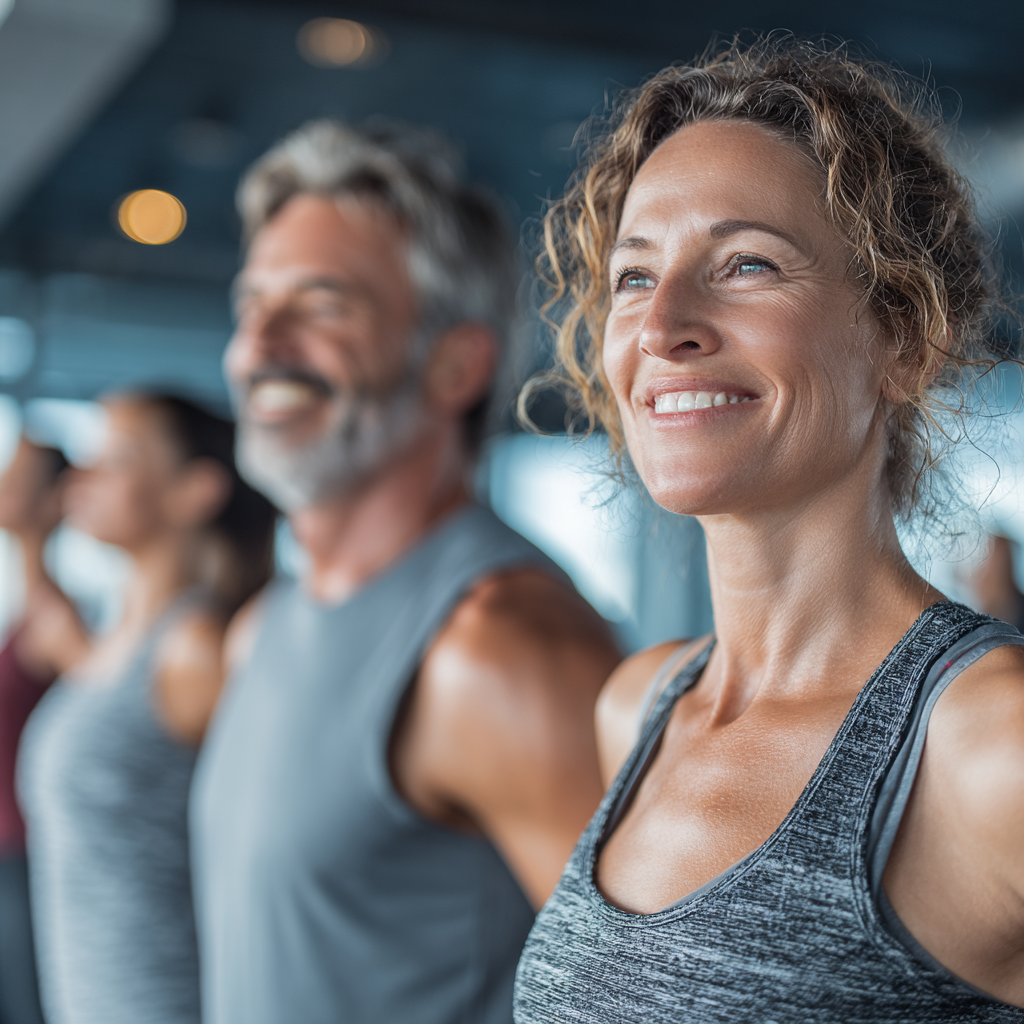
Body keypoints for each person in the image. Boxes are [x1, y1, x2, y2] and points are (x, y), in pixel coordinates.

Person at [514, 38, 1024, 1022]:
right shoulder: (638, 708)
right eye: (633, 276)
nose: (662, 324)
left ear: (903, 337)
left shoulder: (987, 745)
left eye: (746, 263)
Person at [189, 121, 622, 1024]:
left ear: (456, 364)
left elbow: (650, 1000)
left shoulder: (499, 647)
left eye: (322, 305)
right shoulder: (260, 627)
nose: (260, 343)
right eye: (251, 304)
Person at [18, 394, 277, 1024]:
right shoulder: (116, 643)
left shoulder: (194, 650)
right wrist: (28, 539)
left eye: (117, 458)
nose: (83, 473)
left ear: (195, 491)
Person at [0, 437, 85, 1024]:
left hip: (28, 858)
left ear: (54, 499)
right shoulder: (25, 610)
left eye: (17, 477)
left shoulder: (56, 617)